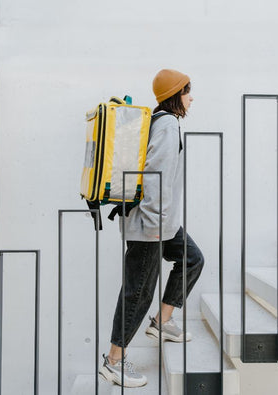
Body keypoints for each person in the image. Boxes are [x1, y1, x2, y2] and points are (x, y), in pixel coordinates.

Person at [99, 69, 205, 388]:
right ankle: (113, 361)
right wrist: (155, 225)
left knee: (191, 258)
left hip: (162, 222)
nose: (191, 97)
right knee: (139, 292)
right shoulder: (168, 125)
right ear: (176, 94)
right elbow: (155, 176)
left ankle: (162, 321)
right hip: (152, 224)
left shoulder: (157, 122)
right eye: (187, 92)